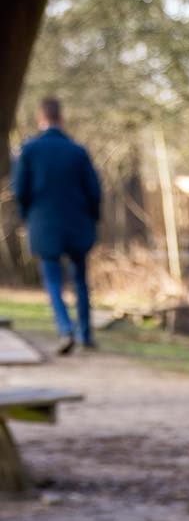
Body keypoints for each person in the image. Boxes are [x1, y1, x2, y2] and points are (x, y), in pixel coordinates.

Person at [11, 98, 102, 354]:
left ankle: (65, 329)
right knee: (80, 280)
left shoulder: (29, 151)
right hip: (78, 225)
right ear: (61, 118)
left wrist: (27, 216)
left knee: (52, 280)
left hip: (44, 224)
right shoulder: (78, 151)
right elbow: (94, 192)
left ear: (41, 119)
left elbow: (20, 191)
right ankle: (85, 334)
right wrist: (93, 218)